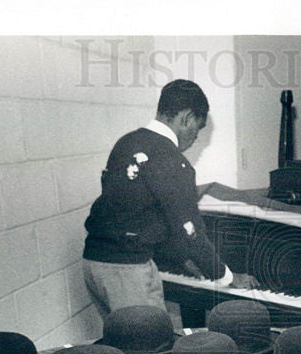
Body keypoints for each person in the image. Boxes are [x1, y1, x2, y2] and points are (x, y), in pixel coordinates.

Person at [82, 79, 255, 318]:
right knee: (152, 349)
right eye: (198, 128)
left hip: (94, 264)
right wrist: (227, 276)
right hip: (127, 270)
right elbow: (190, 233)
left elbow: (139, 213)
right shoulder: (173, 161)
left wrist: (184, 259)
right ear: (186, 118)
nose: (195, 139)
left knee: (124, 346)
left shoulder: (127, 142)